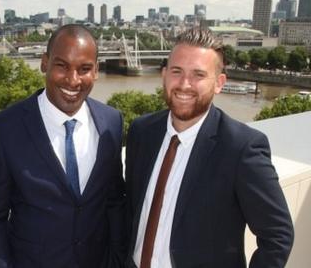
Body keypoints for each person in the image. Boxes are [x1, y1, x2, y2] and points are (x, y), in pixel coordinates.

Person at [125, 28, 294, 268]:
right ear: (164, 74)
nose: (184, 84)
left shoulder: (241, 147)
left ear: (219, 83)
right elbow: (131, 210)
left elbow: (278, 235)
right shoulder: (142, 132)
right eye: (177, 71)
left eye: (198, 75)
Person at [0, 24, 126, 268]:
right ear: (44, 63)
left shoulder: (112, 122)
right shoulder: (4, 129)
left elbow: (113, 201)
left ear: (96, 71)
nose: (73, 80)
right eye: (62, 66)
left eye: (84, 69)